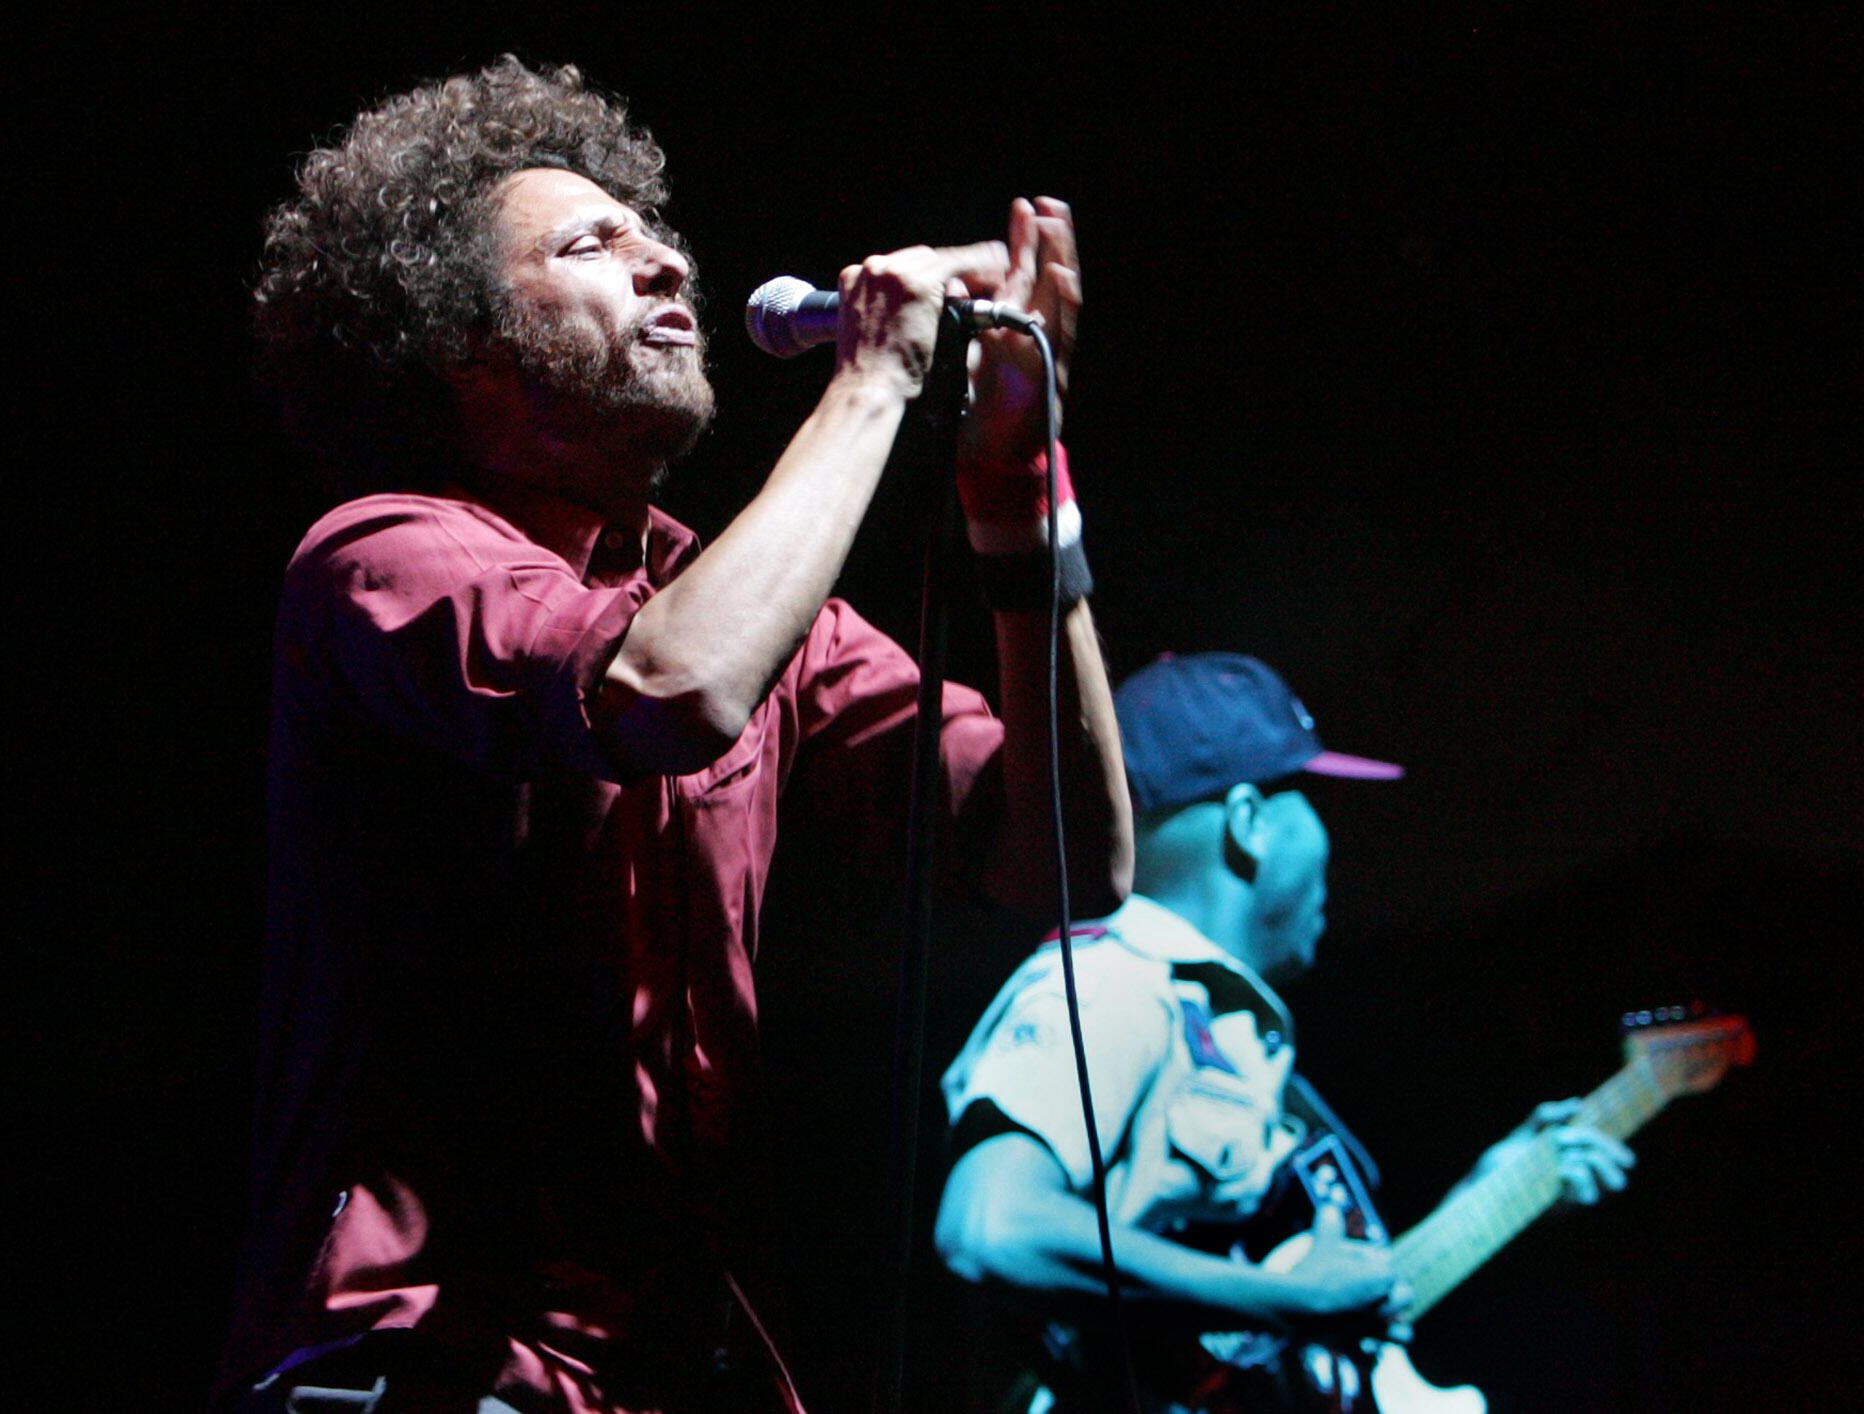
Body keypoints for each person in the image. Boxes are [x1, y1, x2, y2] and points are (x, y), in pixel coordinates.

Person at [219, 57, 1133, 1414]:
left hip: (669, 1368)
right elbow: (660, 690)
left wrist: (1021, 498)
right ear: (455, 338)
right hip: (427, 1360)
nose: (666, 267)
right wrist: (874, 381)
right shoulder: (379, 556)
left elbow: (1055, 864)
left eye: (663, 240)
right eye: (594, 243)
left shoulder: (748, 610)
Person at [935, 653, 1634, 1412]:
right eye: (1310, 798)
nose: (1337, 844)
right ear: (1249, 823)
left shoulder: (1227, 1031)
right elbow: (991, 1224)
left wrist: (1492, 1194)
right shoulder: (1115, 984)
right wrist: (1278, 1299)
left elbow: (1306, 1308)